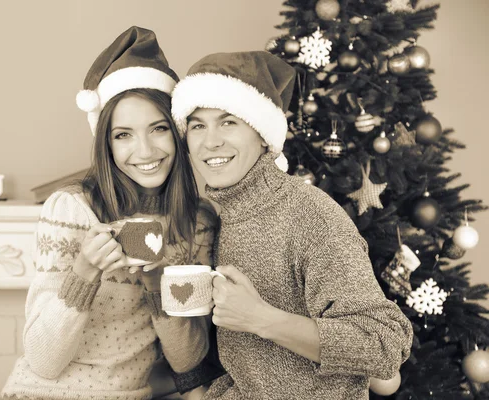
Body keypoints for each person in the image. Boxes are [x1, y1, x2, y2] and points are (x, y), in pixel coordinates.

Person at [170, 51, 414, 399]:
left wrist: (261, 319)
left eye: (228, 122)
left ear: (262, 135)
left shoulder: (310, 215)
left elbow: (384, 344)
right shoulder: (221, 218)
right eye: (197, 125)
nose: (211, 141)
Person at [1, 26, 216, 400]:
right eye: (123, 135)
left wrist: (158, 284)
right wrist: (85, 271)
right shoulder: (72, 209)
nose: (145, 151)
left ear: (178, 133)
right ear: (107, 145)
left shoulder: (196, 224)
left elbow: (188, 362)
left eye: (158, 129)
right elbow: (43, 361)